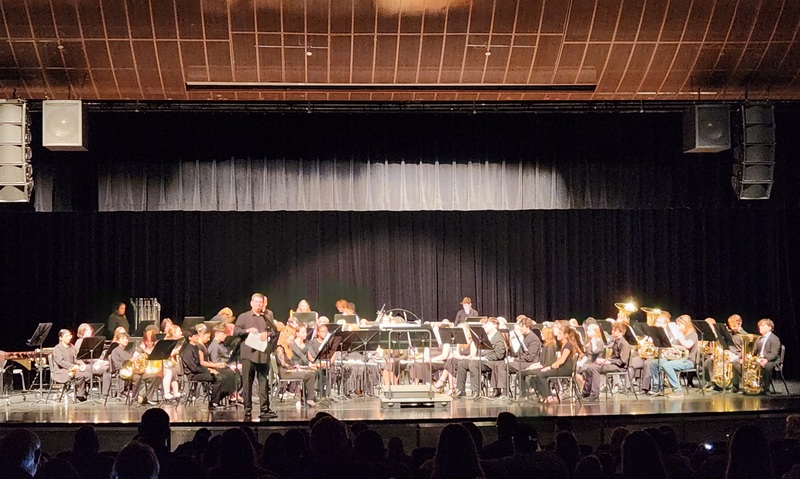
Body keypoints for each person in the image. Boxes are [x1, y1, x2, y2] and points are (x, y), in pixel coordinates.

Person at [234, 292, 280, 420]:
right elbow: (235, 331)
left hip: (263, 353)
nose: (259, 305)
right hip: (248, 354)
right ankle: (247, 409)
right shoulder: (244, 316)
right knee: (247, 382)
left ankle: (264, 408)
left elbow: (275, 331)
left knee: (263, 382)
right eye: (256, 302)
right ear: (251, 303)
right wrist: (247, 331)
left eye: (261, 302)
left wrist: (268, 333)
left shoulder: (267, 317)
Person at [182, 326, 236, 409]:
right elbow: (194, 368)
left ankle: (219, 398)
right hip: (193, 374)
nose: (197, 337)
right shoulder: (188, 350)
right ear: (190, 338)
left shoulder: (195, 347)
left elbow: (199, 364)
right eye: (195, 336)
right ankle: (214, 402)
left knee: (225, 377)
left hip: (199, 371)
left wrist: (209, 369)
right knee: (219, 378)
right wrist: (209, 370)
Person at [648, 314, 699, 398]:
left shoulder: (693, 334)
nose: (678, 327)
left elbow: (688, 345)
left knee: (667, 366)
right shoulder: (681, 336)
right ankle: (657, 387)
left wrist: (679, 337)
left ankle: (677, 390)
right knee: (654, 363)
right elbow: (676, 350)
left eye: (679, 325)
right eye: (677, 325)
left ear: (685, 325)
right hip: (678, 360)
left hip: (688, 361)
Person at [456, 317, 506, 399]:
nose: (486, 325)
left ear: (495, 325)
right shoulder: (486, 336)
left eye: (488, 324)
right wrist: (476, 356)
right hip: (482, 360)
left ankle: (476, 390)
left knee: (473, 364)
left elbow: (499, 355)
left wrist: (483, 358)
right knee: (462, 363)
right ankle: (461, 390)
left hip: (491, 362)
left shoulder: (498, 337)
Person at [532, 321, 581, 403]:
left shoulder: (568, 345)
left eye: (560, 333)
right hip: (562, 369)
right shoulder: (564, 345)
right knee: (539, 373)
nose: (557, 335)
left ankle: (548, 396)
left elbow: (562, 360)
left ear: (565, 335)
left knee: (541, 374)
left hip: (565, 370)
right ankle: (544, 396)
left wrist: (550, 367)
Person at [582, 322, 631, 400]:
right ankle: (586, 393)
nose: (611, 331)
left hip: (620, 367)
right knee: (591, 367)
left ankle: (594, 394)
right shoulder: (616, 341)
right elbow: (614, 357)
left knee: (594, 368)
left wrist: (609, 362)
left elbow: (623, 361)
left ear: (620, 332)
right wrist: (605, 360)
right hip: (614, 364)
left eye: (614, 330)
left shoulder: (624, 343)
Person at [732, 317, 780, 394]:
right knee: (736, 362)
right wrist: (745, 358)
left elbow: (774, 354)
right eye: (759, 326)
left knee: (767, 366)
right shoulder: (759, 338)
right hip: (758, 358)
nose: (760, 327)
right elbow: (753, 351)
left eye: (762, 326)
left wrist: (766, 359)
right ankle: (746, 385)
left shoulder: (774, 339)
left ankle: (766, 389)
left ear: (769, 327)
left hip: (770, 360)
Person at [51, 329, 92, 402]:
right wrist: (72, 366)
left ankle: (79, 392)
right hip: (62, 371)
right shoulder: (58, 348)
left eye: (70, 336)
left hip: (74, 370)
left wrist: (81, 364)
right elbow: (60, 361)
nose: (69, 337)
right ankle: (79, 395)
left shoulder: (72, 347)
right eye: (66, 336)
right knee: (81, 376)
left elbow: (76, 358)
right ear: (61, 338)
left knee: (88, 375)